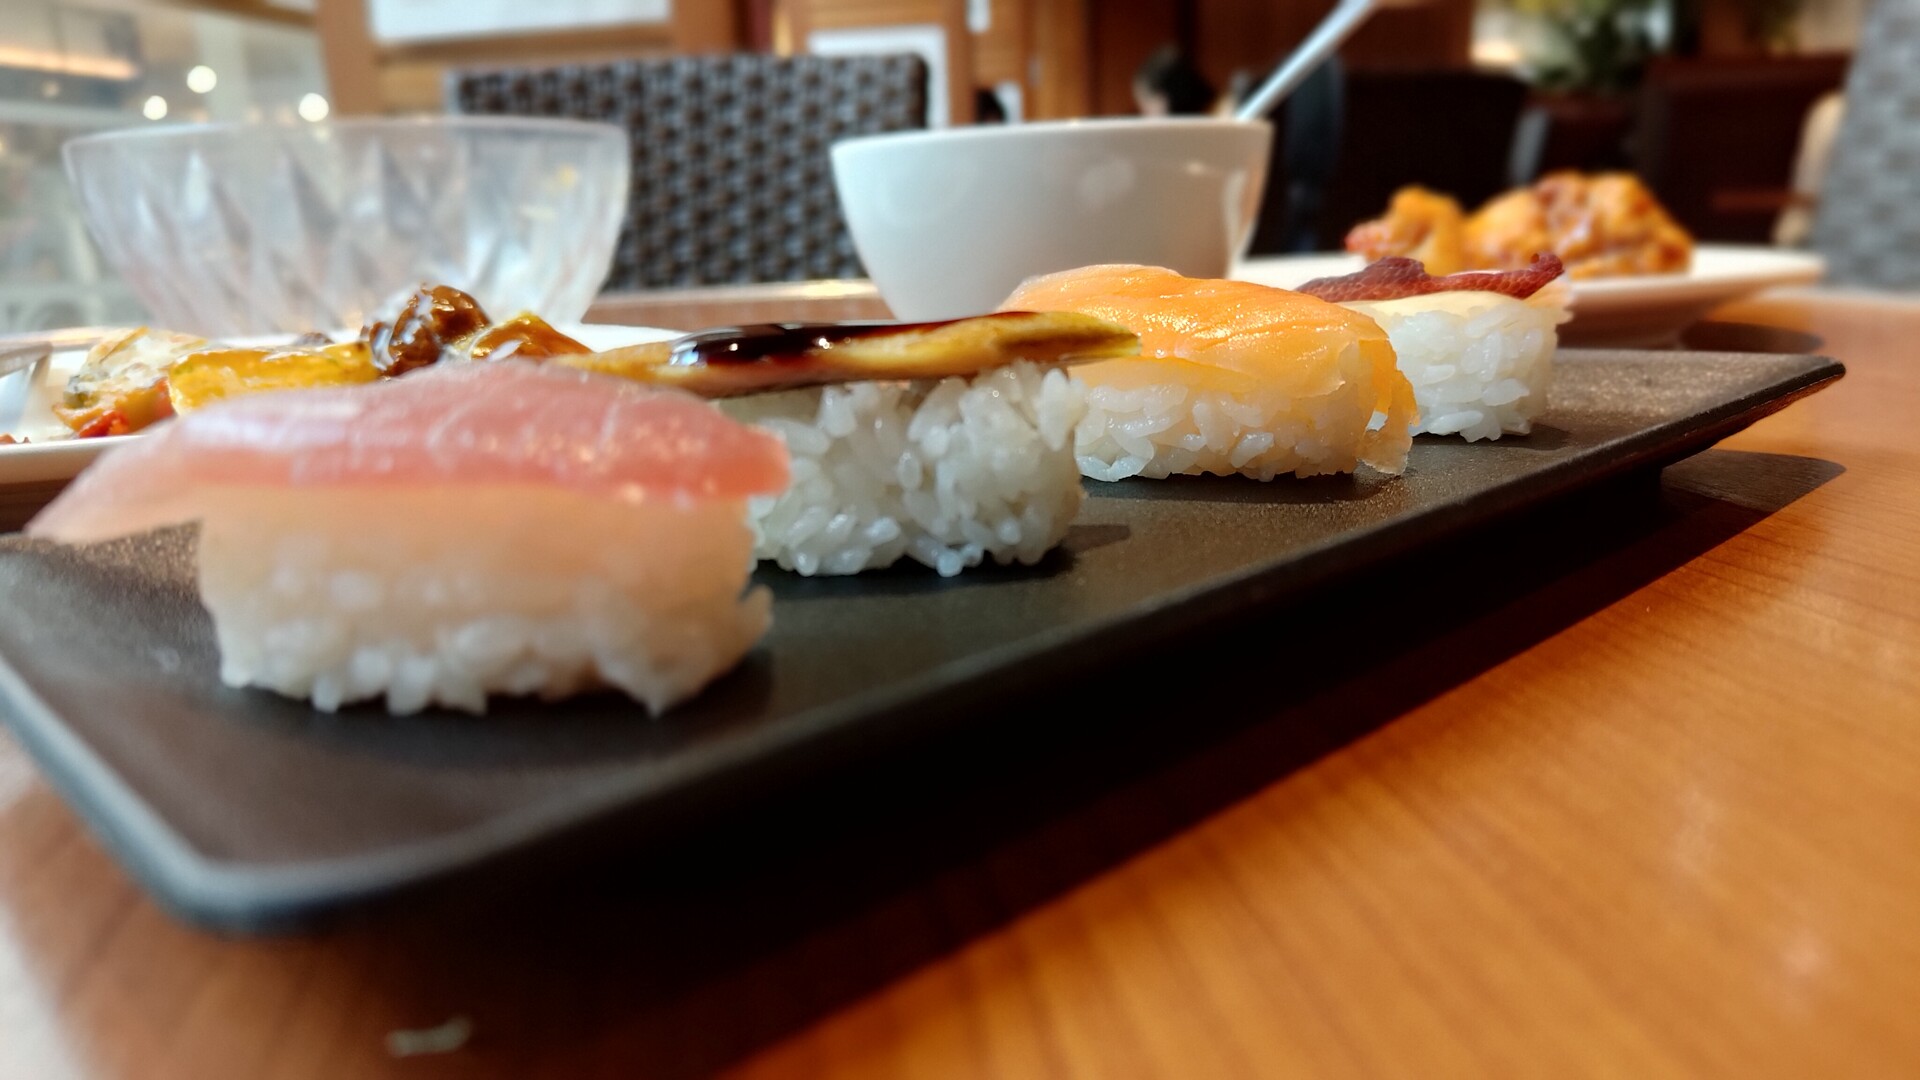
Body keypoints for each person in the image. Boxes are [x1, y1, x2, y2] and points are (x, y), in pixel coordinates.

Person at [1133, 44, 1218, 116]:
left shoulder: (1219, 117)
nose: (1145, 116)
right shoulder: (1213, 112)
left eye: (1146, 109)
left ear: (1163, 99)